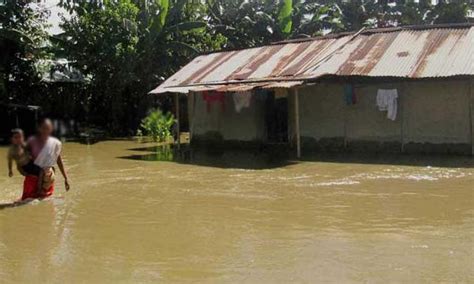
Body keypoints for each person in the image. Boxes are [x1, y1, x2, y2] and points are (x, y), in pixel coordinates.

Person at [21, 119, 70, 200]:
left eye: (47, 128)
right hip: (33, 179)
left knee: (46, 205)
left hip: (47, 179)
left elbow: (59, 160)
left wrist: (65, 178)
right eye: (43, 128)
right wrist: (23, 171)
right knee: (26, 203)